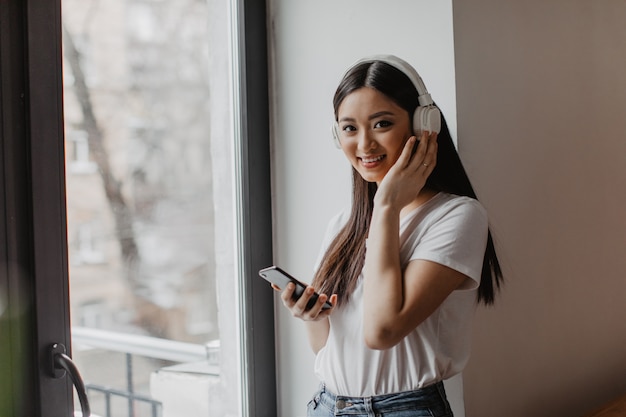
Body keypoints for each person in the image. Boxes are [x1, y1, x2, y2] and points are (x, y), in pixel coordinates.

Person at [273, 55, 503, 417]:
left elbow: (382, 331)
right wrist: (313, 315)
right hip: (327, 405)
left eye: (381, 123)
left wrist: (387, 207)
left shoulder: (457, 216)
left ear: (423, 124)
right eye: (349, 128)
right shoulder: (343, 223)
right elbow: (326, 349)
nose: (364, 144)